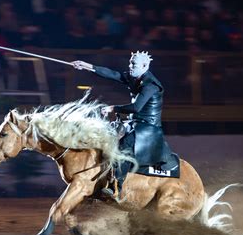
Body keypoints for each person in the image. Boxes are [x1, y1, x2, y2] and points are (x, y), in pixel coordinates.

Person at [71, 51, 172, 197]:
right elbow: (112, 74)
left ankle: (115, 187)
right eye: (130, 63)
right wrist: (86, 66)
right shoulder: (134, 77)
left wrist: (113, 108)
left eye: (134, 64)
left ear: (144, 65)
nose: (130, 66)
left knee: (123, 148)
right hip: (133, 121)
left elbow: (136, 107)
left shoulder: (151, 85)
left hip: (147, 127)